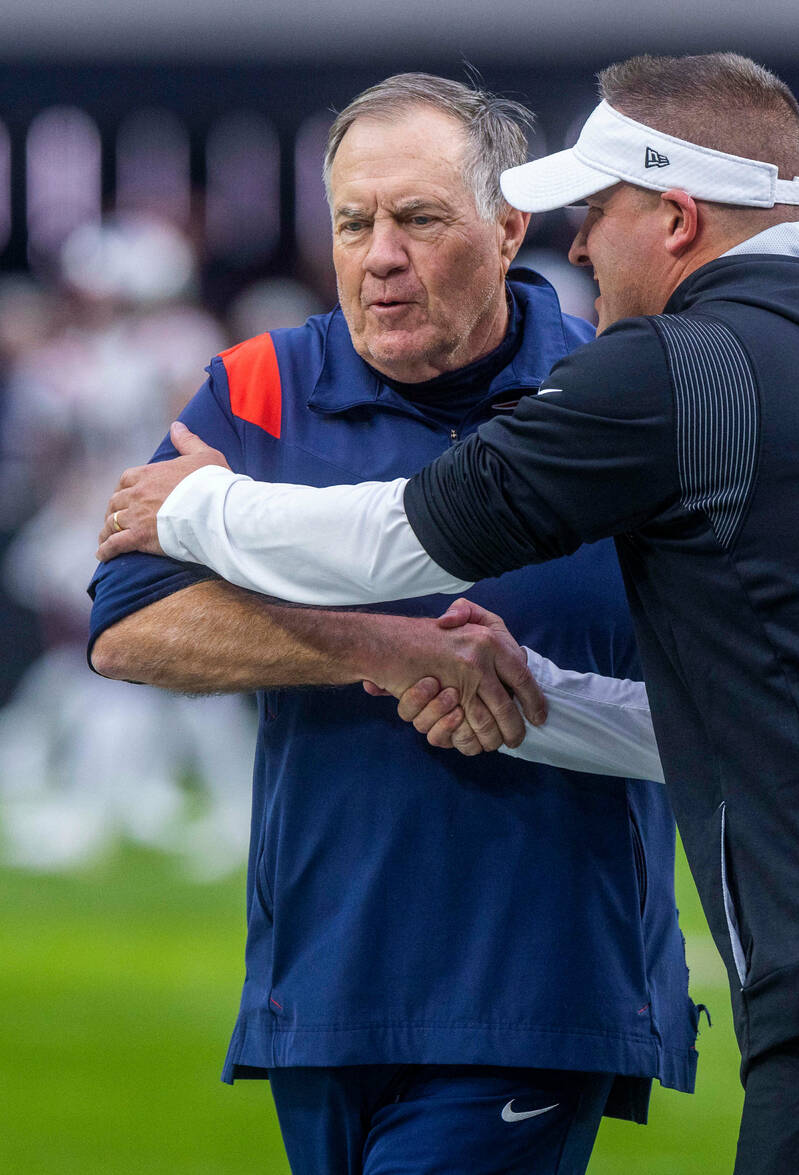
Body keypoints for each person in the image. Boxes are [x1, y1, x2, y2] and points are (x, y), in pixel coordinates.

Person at [94, 54, 799, 1175]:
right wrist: (482, 685)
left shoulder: (660, 375)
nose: (576, 245)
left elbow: (412, 532)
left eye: (594, 213)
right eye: (353, 222)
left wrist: (196, 504)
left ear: (673, 217)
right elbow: (721, 708)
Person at [87, 73, 704, 1175]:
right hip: (322, 983)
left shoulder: (618, 395)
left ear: (511, 227)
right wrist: (385, 644)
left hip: (538, 984)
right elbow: (127, 627)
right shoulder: (261, 386)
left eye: (419, 218)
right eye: (353, 220)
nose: (379, 254)